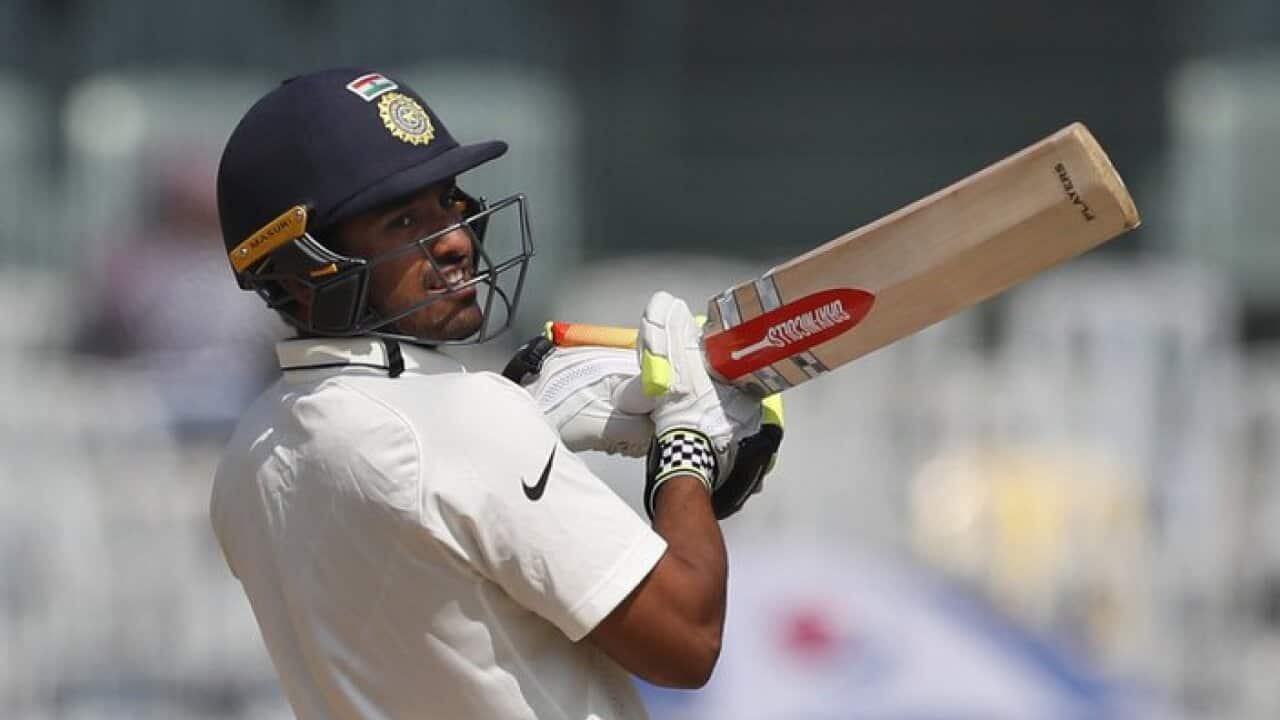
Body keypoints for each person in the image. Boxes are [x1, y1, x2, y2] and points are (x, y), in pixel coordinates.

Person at [209, 67, 782, 720]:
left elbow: (433, 573)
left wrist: (528, 431)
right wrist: (686, 445)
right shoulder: (461, 424)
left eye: (448, 202)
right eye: (403, 220)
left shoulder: (246, 461)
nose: (456, 239)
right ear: (304, 273)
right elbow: (687, 639)